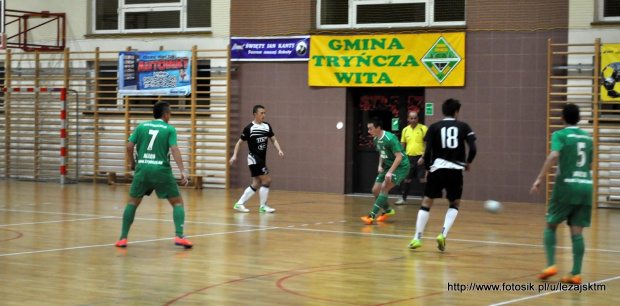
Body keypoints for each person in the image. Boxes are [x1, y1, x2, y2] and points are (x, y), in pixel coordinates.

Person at [115, 101, 193, 248]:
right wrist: (182, 170)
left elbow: (129, 146)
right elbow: (174, 149)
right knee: (177, 202)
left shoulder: (141, 126)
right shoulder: (169, 129)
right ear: (165, 115)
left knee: (132, 203)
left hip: (143, 169)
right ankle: (179, 235)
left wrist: (133, 163)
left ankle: (122, 238)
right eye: (170, 113)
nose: (170, 116)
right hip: (161, 170)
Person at [530, 103, 593, 285]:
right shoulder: (588, 138)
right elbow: (589, 165)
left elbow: (554, 155)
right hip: (586, 186)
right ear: (579, 118)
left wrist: (540, 178)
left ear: (562, 118)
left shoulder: (560, 135)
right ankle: (575, 273)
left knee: (551, 224)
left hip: (566, 186)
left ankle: (551, 265)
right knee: (577, 232)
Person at [408, 98, 476, 251]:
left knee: (426, 203)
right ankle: (443, 234)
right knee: (454, 203)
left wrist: (427, 169)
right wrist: (469, 161)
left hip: (437, 169)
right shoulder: (463, 126)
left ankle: (417, 238)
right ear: (457, 111)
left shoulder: (434, 127)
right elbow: (473, 148)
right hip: (455, 171)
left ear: (443, 111)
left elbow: (427, 152)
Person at [229, 105, 284, 213]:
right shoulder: (249, 128)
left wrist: (279, 150)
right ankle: (263, 206)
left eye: (264, 113)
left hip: (261, 159)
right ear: (255, 114)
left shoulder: (267, 126)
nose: (264, 115)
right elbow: (239, 142)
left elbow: (273, 140)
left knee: (256, 183)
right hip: (254, 159)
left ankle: (239, 204)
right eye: (261, 113)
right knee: (267, 180)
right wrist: (234, 155)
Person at [361, 117, 410, 224]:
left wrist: (390, 172)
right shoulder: (375, 139)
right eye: (368, 129)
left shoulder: (390, 139)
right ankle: (388, 211)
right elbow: (382, 153)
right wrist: (380, 166)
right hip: (388, 166)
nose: (369, 131)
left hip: (401, 167)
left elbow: (399, 157)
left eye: (370, 129)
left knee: (384, 187)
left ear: (378, 128)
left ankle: (371, 216)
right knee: (375, 190)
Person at [395, 111, 428, 205]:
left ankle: (425, 200)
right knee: (407, 179)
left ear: (418, 118)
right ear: (408, 119)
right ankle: (403, 199)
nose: (413, 120)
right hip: (409, 158)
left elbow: (427, 144)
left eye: (415, 118)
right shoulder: (405, 130)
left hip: (420, 158)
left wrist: (423, 157)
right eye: (411, 118)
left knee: (422, 179)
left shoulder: (423, 128)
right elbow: (402, 145)